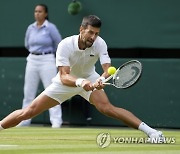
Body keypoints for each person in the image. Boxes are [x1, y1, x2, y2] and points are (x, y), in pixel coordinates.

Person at [0, 15, 164, 142]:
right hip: (67, 81)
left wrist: (101, 78)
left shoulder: (100, 43)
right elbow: (64, 76)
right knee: (28, 112)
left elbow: (108, 69)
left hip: (90, 77)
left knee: (108, 109)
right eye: (91, 32)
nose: (93, 37)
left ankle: (153, 133)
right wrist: (81, 82)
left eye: (97, 33)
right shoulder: (65, 45)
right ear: (81, 29)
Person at [19, 4, 63, 128]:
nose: (37, 13)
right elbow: (27, 44)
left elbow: (59, 44)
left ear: (45, 14)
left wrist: (48, 54)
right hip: (32, 59)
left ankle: (56, 122)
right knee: (28, 92)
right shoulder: (30, 28)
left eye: (40, 11)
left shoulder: (51, 28)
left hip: (47, 60)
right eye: (36, 11)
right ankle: (24, 120)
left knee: (52, 91)